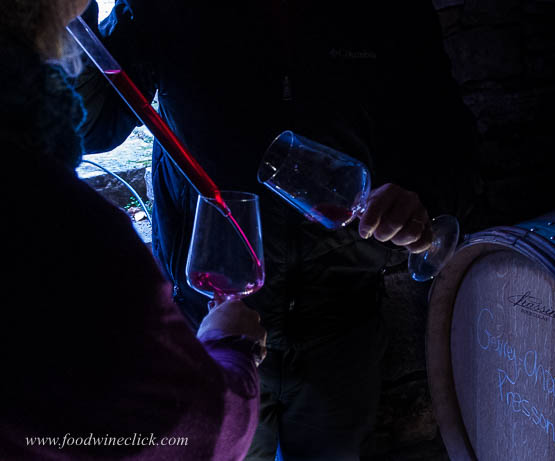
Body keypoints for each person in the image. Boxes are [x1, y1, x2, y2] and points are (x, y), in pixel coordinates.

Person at [76, 1, 479, 459]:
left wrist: (425, 199)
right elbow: (93, 124)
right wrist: (69, 15)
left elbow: (451, 141)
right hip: (214, 320)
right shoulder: (164, 7)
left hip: (342, 325)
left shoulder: (388, 11)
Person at [0, 1, 265, 459]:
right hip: (215, 314)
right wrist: (229, 350)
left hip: (323, 303)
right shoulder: (46, 211)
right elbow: (186, 427)